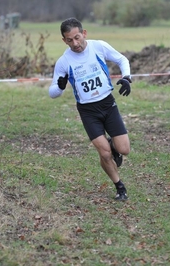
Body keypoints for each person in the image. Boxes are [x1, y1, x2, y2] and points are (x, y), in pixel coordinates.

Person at [48, 17, 132, 201]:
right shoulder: (64, 61)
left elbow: (121, 59)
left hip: (107, 104)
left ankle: (112, 144)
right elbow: (52, 92)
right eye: (69, 40)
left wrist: (126, 77)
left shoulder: (98, 46)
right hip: (87, 111)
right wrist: (60, 86)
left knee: (124, 149)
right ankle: (119, 186)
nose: (75, 43)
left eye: (77, 37)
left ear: (84, 33)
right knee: (104, 153)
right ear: (64, 40)